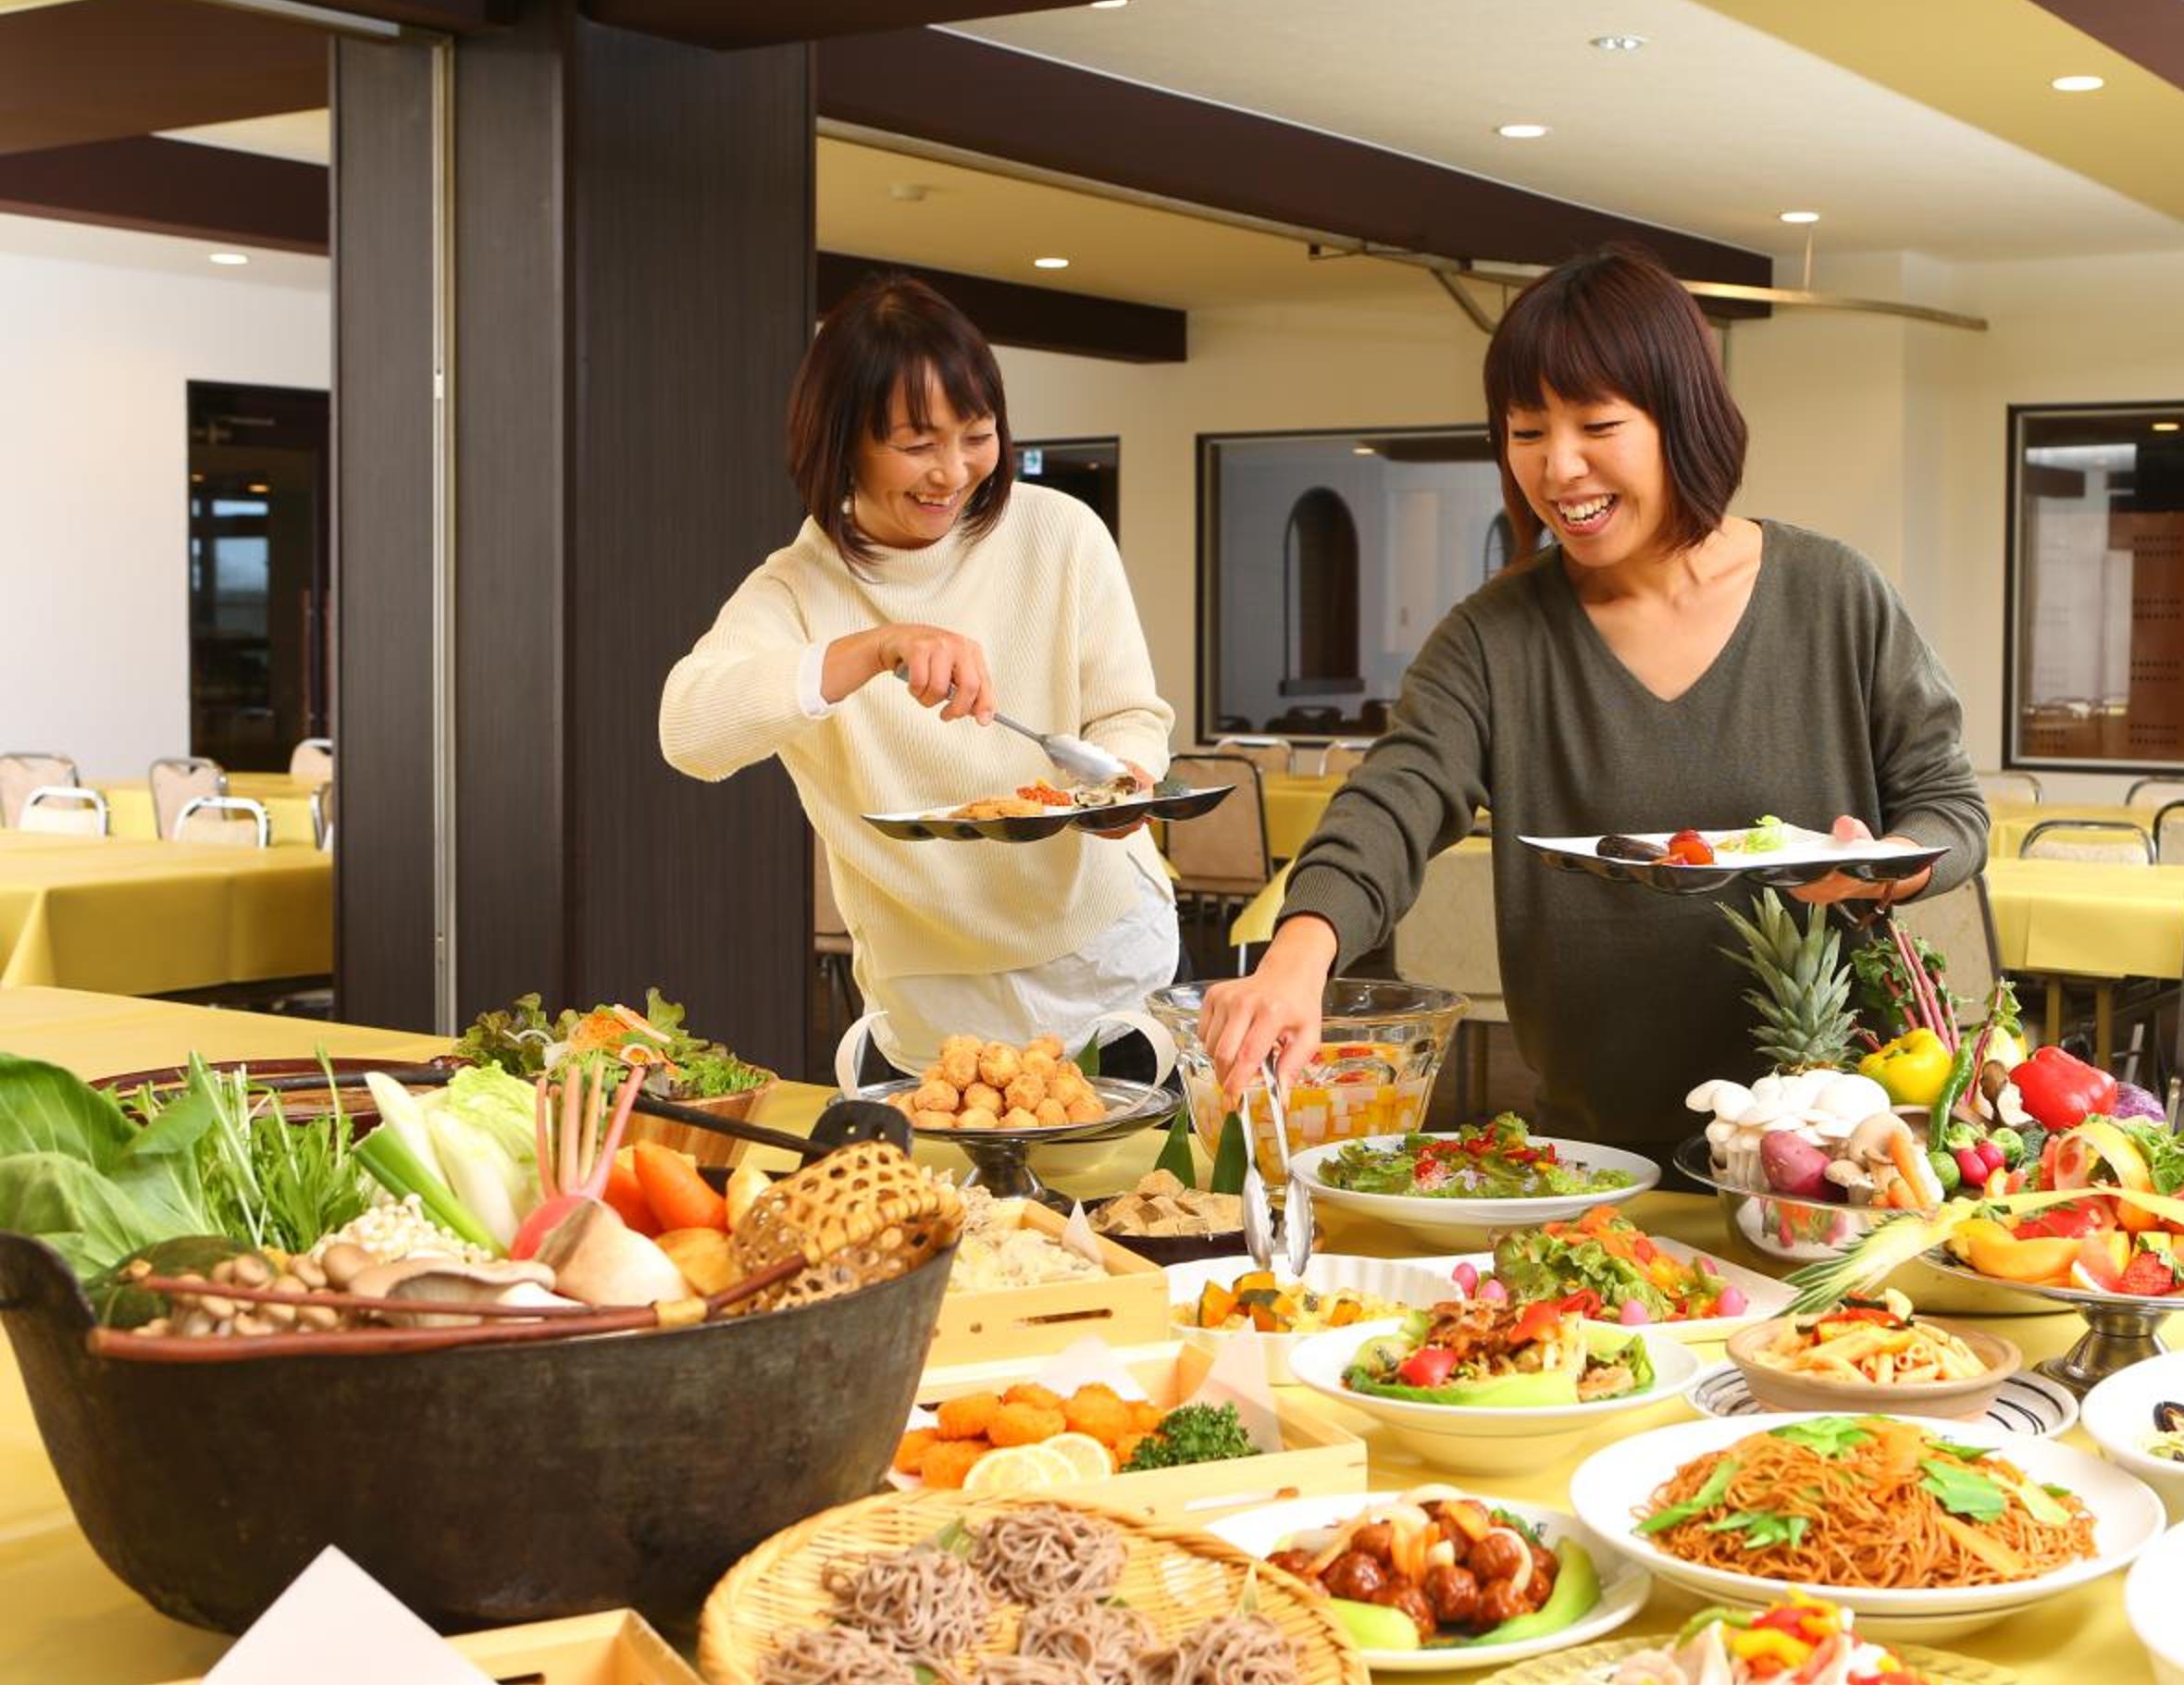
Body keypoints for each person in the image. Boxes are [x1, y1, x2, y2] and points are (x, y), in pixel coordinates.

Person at [1197, 242, 1986, 1149]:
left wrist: (1890, 861)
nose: (1558, 468)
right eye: (1527, 431)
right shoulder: (1495, 636)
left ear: (1681, 418)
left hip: (1834, 1150)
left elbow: (1949, 804)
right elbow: (1395, 794)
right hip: (1594, 1150)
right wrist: (1300, 952)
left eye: (1597, 425)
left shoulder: (1832, 595)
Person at [660, 273, 1177, 1076]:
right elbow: (689, 732)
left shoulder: (1059, 532)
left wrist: (1125, 783)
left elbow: (1129, 715)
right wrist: (873, 648)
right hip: (931, 994)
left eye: (977, 435)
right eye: (917, 445)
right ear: (842, 443)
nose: (954, 471)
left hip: (1104, 956)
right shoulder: (796, 588)